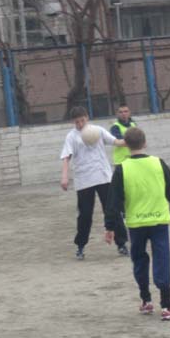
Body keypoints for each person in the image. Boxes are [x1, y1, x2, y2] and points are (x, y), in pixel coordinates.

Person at [104, 127, 170, 321]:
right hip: (159, 220)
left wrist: (110, 227)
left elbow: (113, 201)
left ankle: (146, 300)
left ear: (126, 145)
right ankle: (166, 305)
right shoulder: (158, 163)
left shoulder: (122, 169)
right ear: (145, 143)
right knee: (162, 259)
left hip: (136, 223)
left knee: (139, 260)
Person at [60, 106, 129, 260]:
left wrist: (131, 141)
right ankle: (80, 246)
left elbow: (116, 142)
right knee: (84, 215)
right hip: (84, 180)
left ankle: (121, 244)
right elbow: (66, 157)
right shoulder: (71, 136)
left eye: (82, 120)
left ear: (87, 118)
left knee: (112, 211)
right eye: (77, 122)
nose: (80, 124)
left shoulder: (98, 130)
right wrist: (64, 176)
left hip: (103, 177)